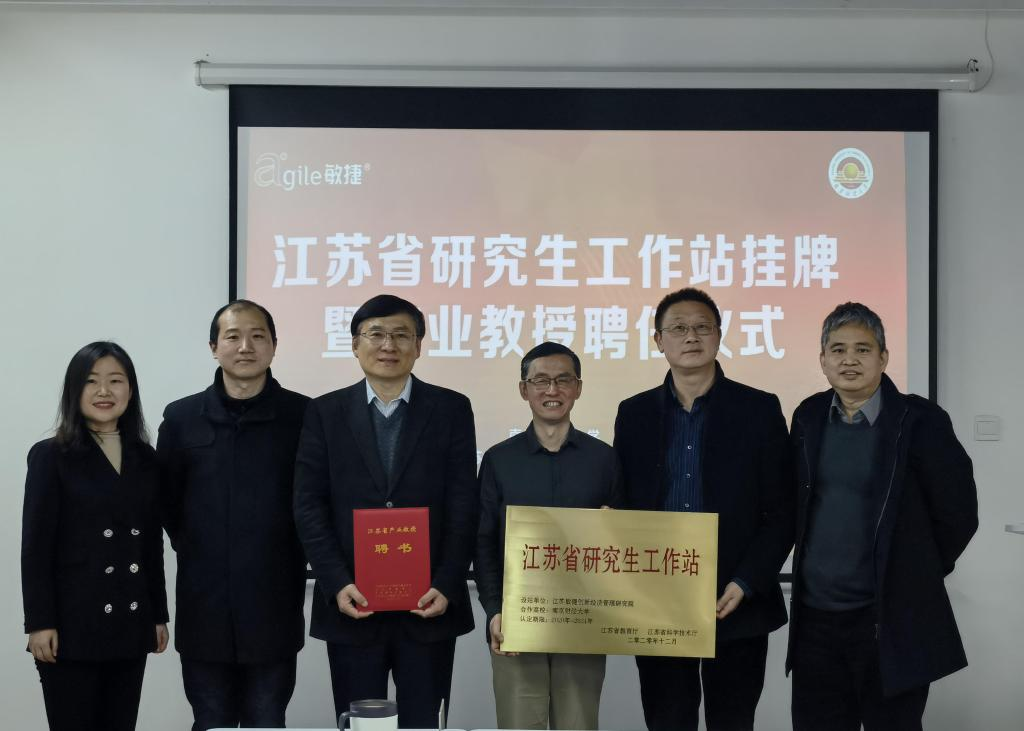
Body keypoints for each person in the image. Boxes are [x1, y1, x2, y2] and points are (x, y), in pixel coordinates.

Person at [787, 302, 978, 731]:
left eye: (863, 349)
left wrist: (914, 571)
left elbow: (958, 513)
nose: (849, 360)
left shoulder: (920, 420)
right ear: (823, 359)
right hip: (816, 622)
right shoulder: (808, 416)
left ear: (884, 357)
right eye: (837, 350)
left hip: (889, 619)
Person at [293, 294, 478, 729]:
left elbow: (463, 503)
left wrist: (447, 582)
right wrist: (337, 582)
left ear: (419, 345)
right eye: (375, 334)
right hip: (353, 605)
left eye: (401, 335)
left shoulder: (451, 408)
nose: (388, 345)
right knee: (360, 723)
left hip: (429, 606)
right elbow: (308, 504)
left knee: (423, 723)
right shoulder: (325, 411)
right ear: (355, 345)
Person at [613, 287, 793, 731]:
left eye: (701, 327)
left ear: (718, 335)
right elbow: (623, 504)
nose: (691, 336)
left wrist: (746, 581)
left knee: (732, 720)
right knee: (667, 720)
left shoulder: (759, 409)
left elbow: (783, 510)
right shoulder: (633, 413)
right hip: (659, 599)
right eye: (678, 328)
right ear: (659, 340)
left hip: (735, 598)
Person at [157, 300, 310, 731]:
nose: (246, 347)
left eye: (258, 336)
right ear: (214, 347)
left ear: (274, 346)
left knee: (267, 719)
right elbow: (166, 501)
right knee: (210, 720)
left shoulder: (303, 416)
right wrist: (199, 546)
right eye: (233, 336)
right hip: (203, 605)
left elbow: (314, 501)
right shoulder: (181, 418)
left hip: (274, 604)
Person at [21, 342, 169, 731]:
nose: (104, 391)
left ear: (130, 390)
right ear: (74, 390)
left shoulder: (145, 458)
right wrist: (39, 622)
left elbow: (149, 544)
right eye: (91, 381)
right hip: (71, 625)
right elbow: (35, 548)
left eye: (115, 380)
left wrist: (157, 615)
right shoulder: (51, 456)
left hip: (130, 620)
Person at [476, 341, 622, 730]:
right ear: (524, 389)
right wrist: (494, 611)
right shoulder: (499, 459)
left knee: (579, 723)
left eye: (563, 380)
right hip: (517, 620)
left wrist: (614, 528)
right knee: (519, 723)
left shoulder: (604, 459)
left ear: (578, 388)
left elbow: (624, 546)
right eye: (540, 381)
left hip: (584, 622)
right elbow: (484, 542)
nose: (552, 390)